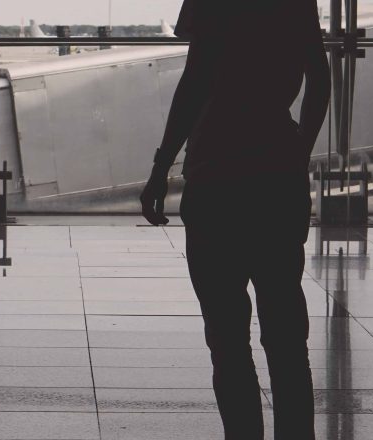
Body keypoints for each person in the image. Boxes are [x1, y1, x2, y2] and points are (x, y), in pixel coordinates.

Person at [140, 1, 331, 439]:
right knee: (286, 338)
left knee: (227, 340)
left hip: (216, 174)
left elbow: (195, 83)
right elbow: (319, 78)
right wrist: (298, 149)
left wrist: (160, 169)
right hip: (276, 173)